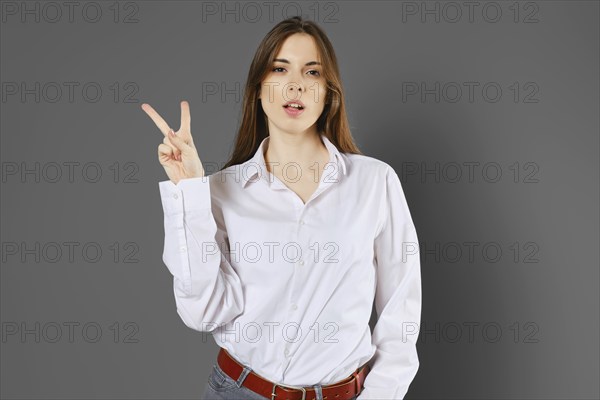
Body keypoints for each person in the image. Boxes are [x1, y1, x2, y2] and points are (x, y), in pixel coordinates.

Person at [141, 16, 421, 400]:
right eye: (279, 69)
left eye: (312, 72)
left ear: (328, 92)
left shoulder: (375, 182)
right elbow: (203, 313)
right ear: (258, 88)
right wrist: (189, 191)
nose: (295, 84)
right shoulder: (223, 190)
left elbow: (401, 314)